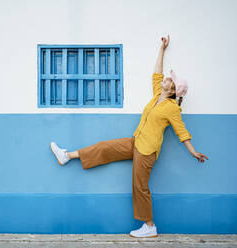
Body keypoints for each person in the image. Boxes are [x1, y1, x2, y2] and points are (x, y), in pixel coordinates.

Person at [50, 35, 209, 238]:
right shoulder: (156, 97)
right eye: (169, 78)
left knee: (139, 187)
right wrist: (162, 48)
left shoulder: (172, 109)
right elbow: (157, 74)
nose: (167, 79)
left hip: (147, 151)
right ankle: (67, 156)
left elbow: (182, 133)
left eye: (171, 81)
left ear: (173, 90)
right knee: (104, 147)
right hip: (136, 142)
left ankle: (150, 226)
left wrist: (193, 151)